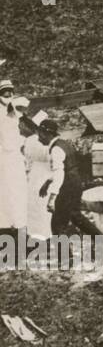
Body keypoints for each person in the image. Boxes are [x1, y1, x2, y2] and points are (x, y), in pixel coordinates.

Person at [0, 81, 28, 235]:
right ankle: (6, 226)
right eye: (4, 92)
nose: (8, 95)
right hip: (4, 157)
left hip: (16, 156)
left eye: (10, 92)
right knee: (5, 191)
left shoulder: (15, 110)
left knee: (18, 190)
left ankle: (19, 225)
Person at [23, 111, 54, 242]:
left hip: (37, 172)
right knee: (39, 203)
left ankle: (39, 233)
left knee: (37, 204)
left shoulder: (29, 141)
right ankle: (44, 233)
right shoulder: (39, 141)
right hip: (43, 172)